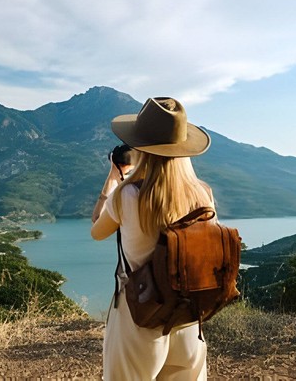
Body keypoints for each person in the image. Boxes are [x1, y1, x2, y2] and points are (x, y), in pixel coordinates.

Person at [91, 97, 215, 380]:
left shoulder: (128, 195)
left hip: (139, 316)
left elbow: (97, 229)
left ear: (140, 148)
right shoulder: (203, 194)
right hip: (187, 318)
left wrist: (114, 178)